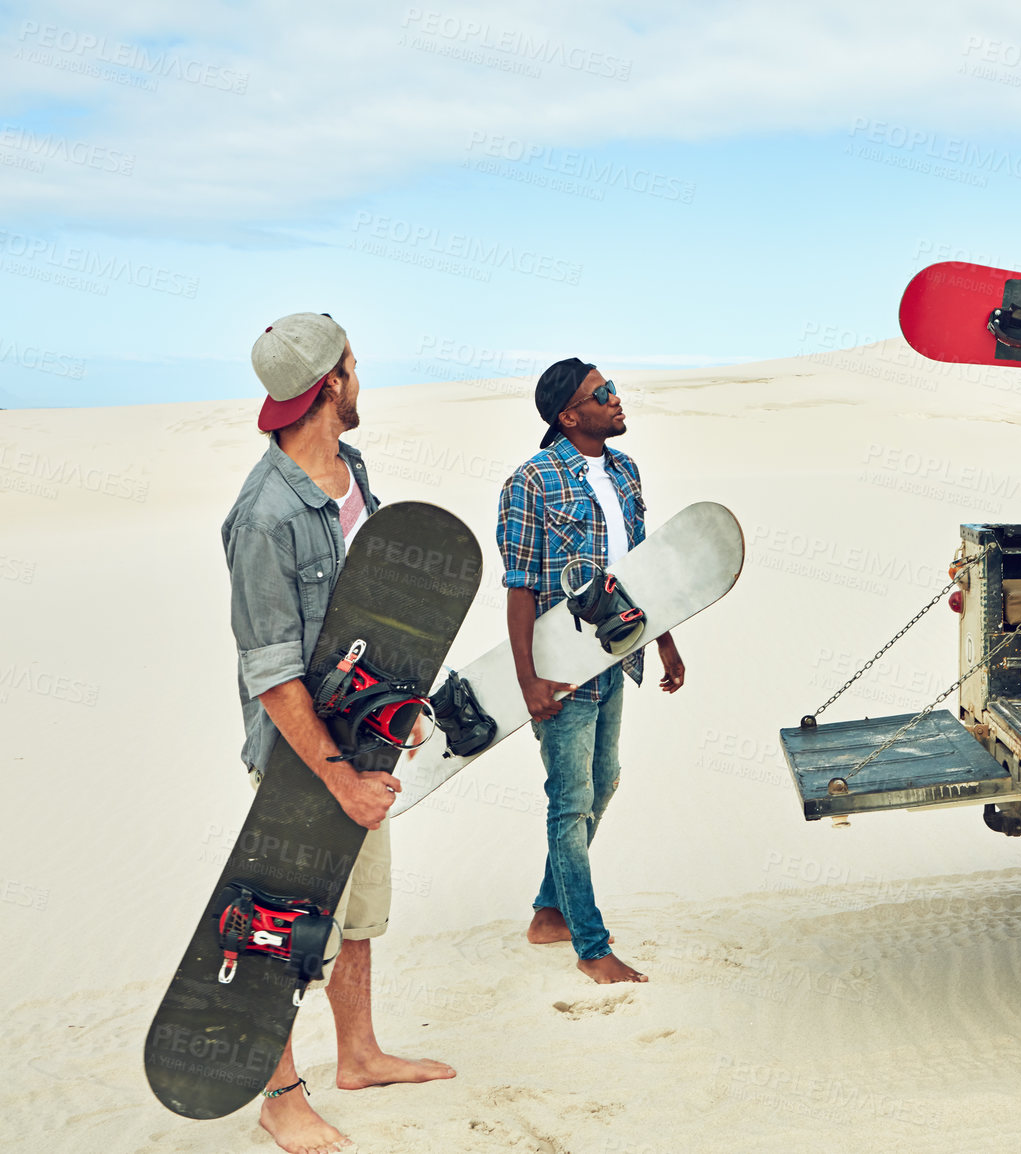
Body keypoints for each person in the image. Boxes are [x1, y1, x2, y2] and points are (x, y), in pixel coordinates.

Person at [222, 312, 454, 1154]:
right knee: (288, 928)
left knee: (358, 916)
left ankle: (356, 1054)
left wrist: (396, 710)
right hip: (301, 762)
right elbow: (273, 673)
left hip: (362, 745)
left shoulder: (350, 470)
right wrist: (338, 775)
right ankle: (280, 1096)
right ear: (330, 386)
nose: (363, 377)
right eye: (355, 366)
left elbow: (376, 608)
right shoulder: (264, 516)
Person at [497, 358, 685, 984]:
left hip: (615, 655)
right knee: (569, 800)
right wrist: (528, 681)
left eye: (612, 389)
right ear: (569, 416)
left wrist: (663, 643)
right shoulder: (531, 483)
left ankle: (548, 912)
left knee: (602, 784)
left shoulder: (626, 473)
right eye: (600, 395)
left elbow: (639, 573)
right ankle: (590, 943)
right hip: (561, 666)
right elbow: (520, 588)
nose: (615, 399)